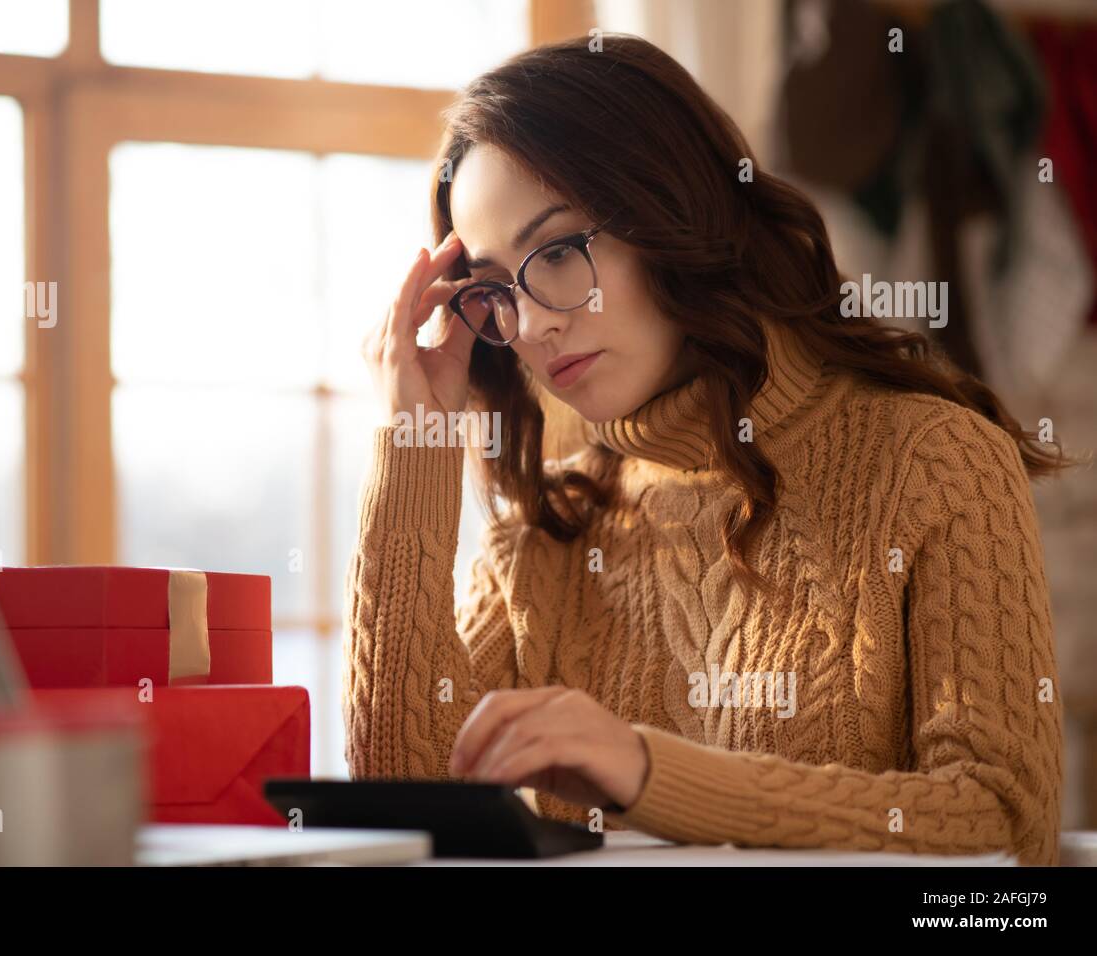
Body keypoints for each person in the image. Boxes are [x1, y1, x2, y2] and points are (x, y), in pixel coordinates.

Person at [344, 33, 1074, 865]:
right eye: (493, 290)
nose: (533, 323)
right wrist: (412, 443)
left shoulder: (934, 461)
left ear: (670, 211)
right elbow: (398, 809)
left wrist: (652, 772)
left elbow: (1004, 824)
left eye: (554, 253)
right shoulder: (544, 528)